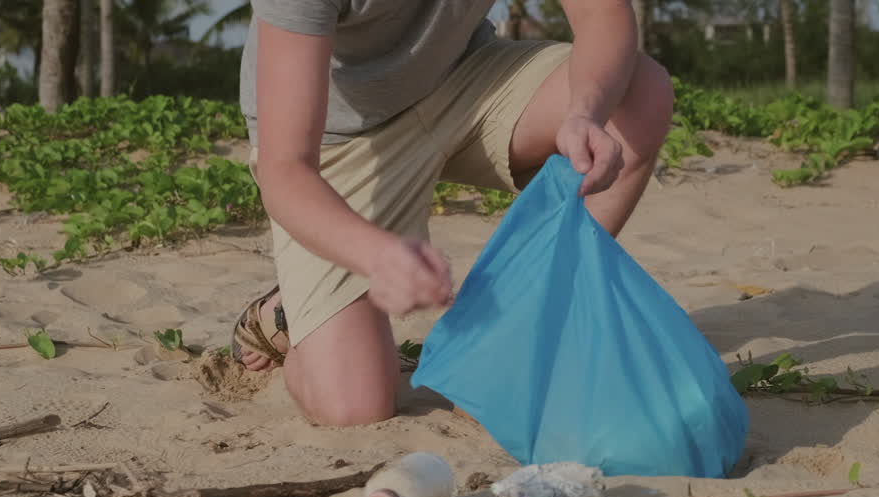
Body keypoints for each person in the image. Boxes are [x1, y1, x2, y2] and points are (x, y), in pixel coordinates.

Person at [233, 1, 675, 427]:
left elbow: (601, 13)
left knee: (638, 92)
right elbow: (286, 170)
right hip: (339, 139)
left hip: (464, 78)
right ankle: (282, 312)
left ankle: (517, 335)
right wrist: (374, 255)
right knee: (351, 407)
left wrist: (584, 112)